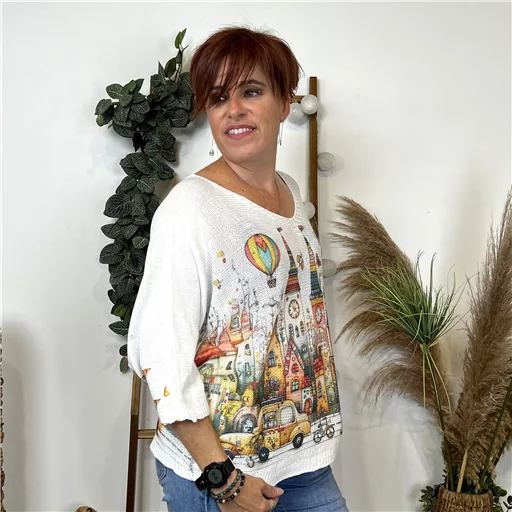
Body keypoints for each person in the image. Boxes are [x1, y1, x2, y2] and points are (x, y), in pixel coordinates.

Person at [128, 25, 348, 512]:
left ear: (284, 104)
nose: (234, 109)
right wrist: (223, 479)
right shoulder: (191, 207)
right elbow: (160, 350)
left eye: (251, 91)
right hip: (220, 471)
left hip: (302, 459)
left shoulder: (289, 194)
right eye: (218, 97)